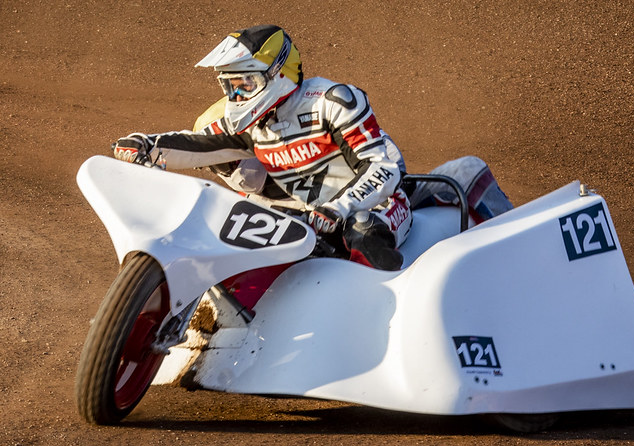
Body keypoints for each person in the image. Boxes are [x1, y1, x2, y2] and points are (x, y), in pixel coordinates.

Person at [112, 25, 510, 270]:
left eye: (244, 84)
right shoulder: (248, 124)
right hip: (307, 215)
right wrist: (149, 147)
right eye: (229, 85)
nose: (236, 95)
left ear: (278, 73)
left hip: (374, 203)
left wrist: (337, 208)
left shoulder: (333, 101)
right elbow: (198, 144)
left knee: (365, 232)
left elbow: (384, 168)